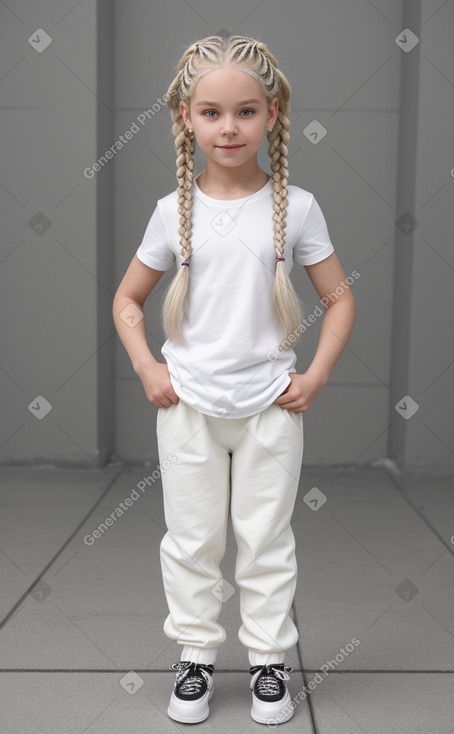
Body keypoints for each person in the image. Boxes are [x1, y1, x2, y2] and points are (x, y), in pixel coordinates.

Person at [113, 34, 355, 726]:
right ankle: (194, 656)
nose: (229, 127)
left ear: (272, 115)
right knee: (190, 539)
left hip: (268, 410)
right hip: (188, 406)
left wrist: (315, 376)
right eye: (212, 112)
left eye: (245, 112)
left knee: (265, 537)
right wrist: (147, 365)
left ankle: (268, 663)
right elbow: (127, 300)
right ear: (184, 117)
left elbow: (340, 298)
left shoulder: (297, 208)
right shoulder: (172, 213)